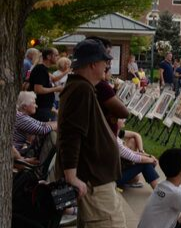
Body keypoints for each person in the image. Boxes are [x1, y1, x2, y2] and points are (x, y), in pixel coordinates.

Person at [57, 38, 125, 226]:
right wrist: (72, 177)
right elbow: (71, 135)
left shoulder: (81, 87)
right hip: (94, 184)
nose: (107, 65)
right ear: (94, 63)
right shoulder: (81, 89)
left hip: (96, 181)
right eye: (105, 61)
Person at [14, 91, 56, 157]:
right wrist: (59, 124)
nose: (36, 106)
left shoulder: (23, 116)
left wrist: (57, 123)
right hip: (14, 155)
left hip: (18, 153)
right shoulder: (21, 118)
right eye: (33, 103)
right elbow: (42, 130)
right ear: (25, 106)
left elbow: (41, 124)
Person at [30, 47, 63, 122]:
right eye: (56, 55)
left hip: (46, 108)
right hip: (41, 109)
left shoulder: (44, 69)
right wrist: (56, 89)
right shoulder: (40, 69)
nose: (58, 57)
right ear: (48, 56)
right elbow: (38, 89)